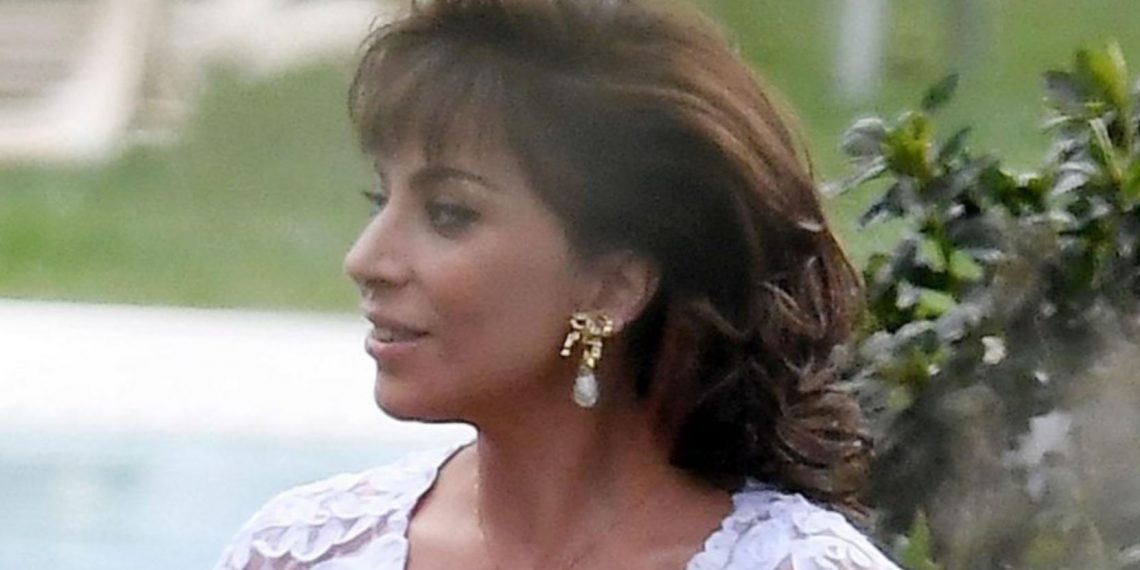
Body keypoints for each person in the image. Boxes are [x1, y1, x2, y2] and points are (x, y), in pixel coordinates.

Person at [215, 0, 901, 568]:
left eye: (448, 214)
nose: (366, 259)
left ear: (612, 286)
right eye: (380, 199)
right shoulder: (301, 552)